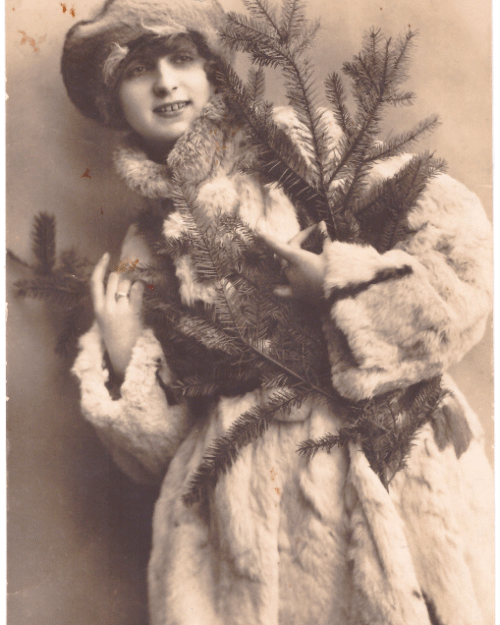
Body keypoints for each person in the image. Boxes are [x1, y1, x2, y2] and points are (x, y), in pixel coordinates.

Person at [62, 0, 494, 623]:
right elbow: (164, 458)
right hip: (253, 527)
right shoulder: (145, 241)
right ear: (112, 100)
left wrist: (344, 285)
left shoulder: (296, 145)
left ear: (212, 70)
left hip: (389, 467)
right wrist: (125, 353)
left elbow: (463, 254)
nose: (165, 83)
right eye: (137, 70)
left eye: (182, 59)